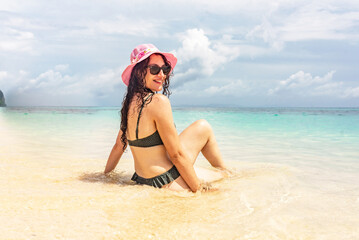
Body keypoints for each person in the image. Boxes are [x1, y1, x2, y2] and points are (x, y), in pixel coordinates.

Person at [104, 44, 228, 192]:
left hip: (142, 178)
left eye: (165, 69)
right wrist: (198, 190)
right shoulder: (158, 102)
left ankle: (224, 171)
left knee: (202, 126)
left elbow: (119, 146)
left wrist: (104, 176)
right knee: (222, 175)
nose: (162, 75)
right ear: (138, 72)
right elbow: (176, 155)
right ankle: (225, 171)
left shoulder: (130, 104)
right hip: (167, 179)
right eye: (154, 69)